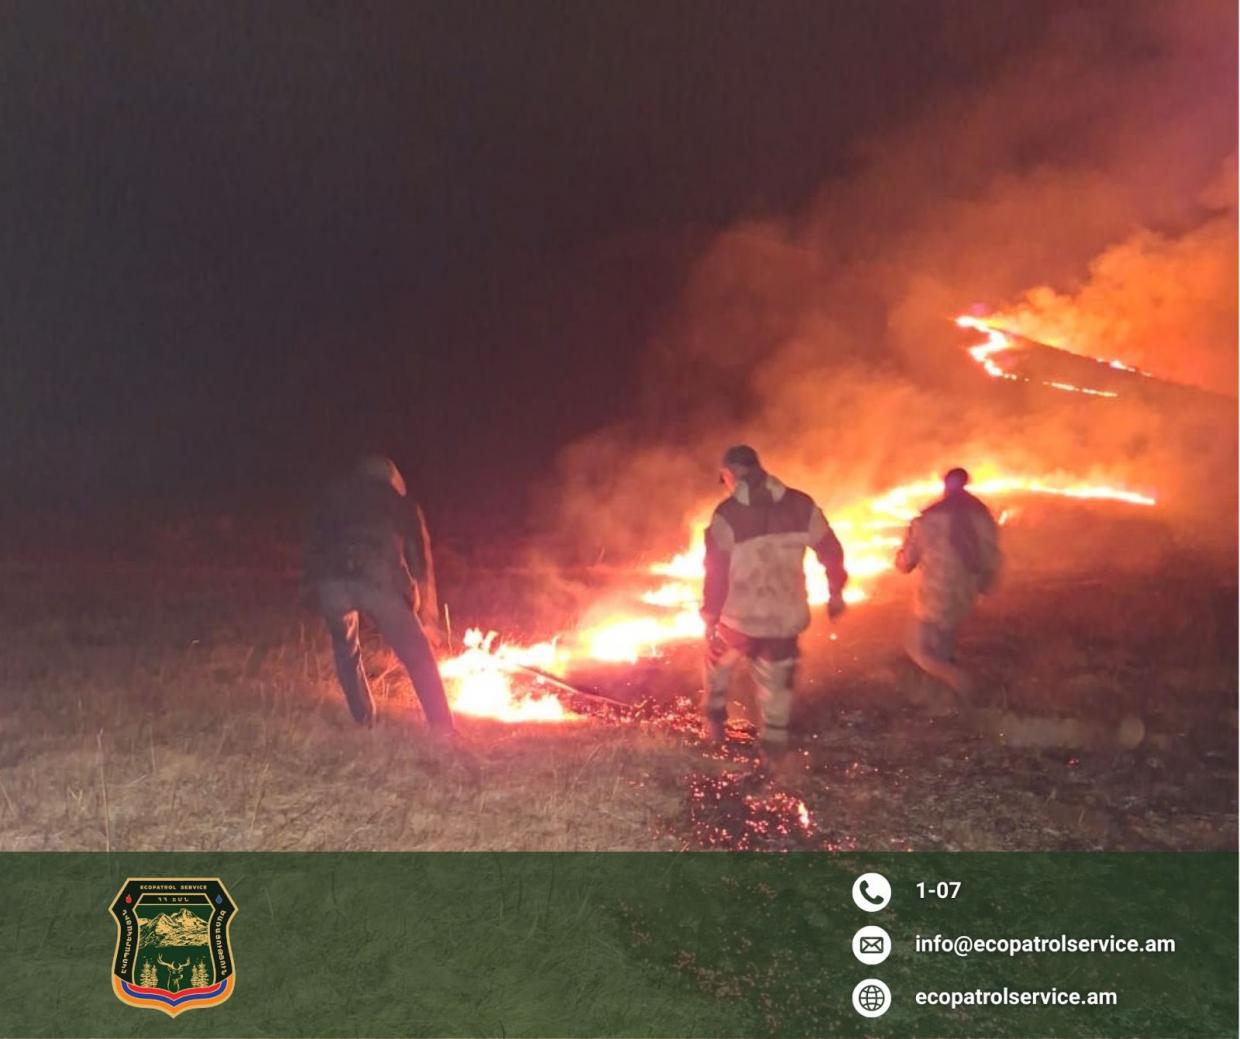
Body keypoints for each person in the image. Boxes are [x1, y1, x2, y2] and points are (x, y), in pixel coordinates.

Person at [700, 445, 848, 755]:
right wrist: (835, 592)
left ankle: (713, 729)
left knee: (716, 664)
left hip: (737, 620)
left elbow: (716, 572)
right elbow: (831, 551)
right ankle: (774, 761)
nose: (725, 484)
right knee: (777, 692)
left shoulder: (727, 514)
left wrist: (710, 617)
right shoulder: (801, 504)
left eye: (724, 478)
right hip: (785, 619)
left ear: (731, 474)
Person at [302, 454, 455, 735]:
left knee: (346, 650)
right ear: (393, 480)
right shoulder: (399, 503)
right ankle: (443, 728)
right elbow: (420, 561)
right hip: (377, 581)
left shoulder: (335, 498)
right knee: (418, 653)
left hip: (331, 582)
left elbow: (314, 543)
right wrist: (426, 615)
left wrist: (313, 586)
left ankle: (363, 720)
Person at [894, 467, 1001, 699]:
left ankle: (960, 682)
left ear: (945, 486)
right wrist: (985, 586)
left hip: (931, 595)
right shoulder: (981, 516)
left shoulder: (928, 518)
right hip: (964, 594)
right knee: (944, 639)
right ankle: (945, 697)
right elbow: (991, 556)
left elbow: (906, 562)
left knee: (917, 648)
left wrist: (900, 559)